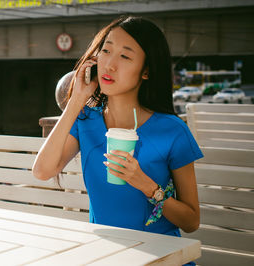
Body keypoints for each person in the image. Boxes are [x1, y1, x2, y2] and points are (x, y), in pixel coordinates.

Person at [32, 16, 203, 265]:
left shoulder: (173, 131)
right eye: (106, 51)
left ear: (146, 71)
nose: (109, 65)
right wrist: (77, 101)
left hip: (161, 258)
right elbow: (42, 171)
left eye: (124, 56)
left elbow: (191, 222)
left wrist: (146, 185)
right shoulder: (85, 120)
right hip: (105, 256)